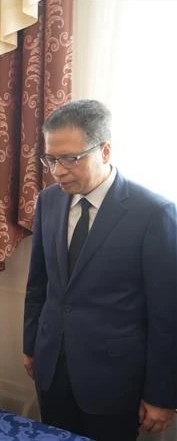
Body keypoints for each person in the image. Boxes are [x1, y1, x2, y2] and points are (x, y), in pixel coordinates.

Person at [23, 100, 177, 440]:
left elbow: (167, 316)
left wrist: (162, 395)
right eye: (51, 159)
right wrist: (32, 345)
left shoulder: (154, 214)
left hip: (114, 380)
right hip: (52, 368)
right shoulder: (48, 201)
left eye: (70, 158)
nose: (58, 170)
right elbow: (39, 283)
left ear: (105, 151)